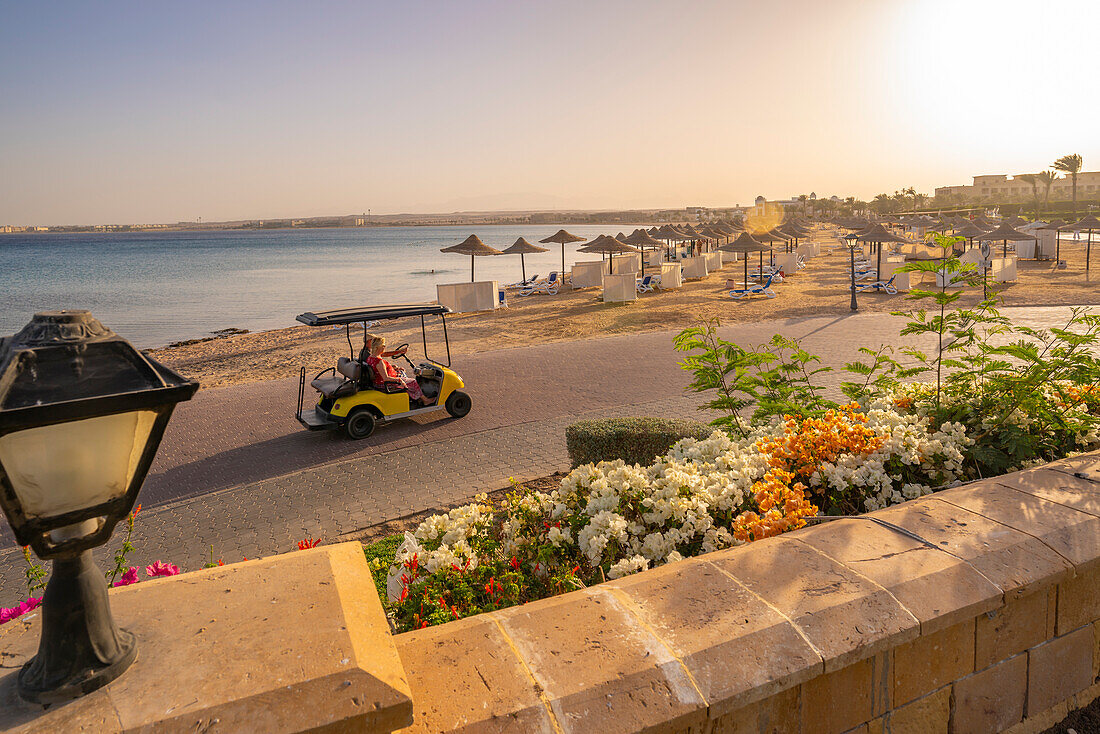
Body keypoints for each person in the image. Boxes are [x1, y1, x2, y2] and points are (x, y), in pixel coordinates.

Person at [364, 335, 431, 406]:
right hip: (385, 384)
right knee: (413, 381)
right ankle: (425, 400)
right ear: (378, 347)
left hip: (379, 381)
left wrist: (393, 368)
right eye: (383, 346)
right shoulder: (379, 361)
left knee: (401, 372)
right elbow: (385, 378)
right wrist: (399, 380)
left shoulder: (370, 357)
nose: (384, 347)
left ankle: (414, 397)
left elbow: (379, 369)